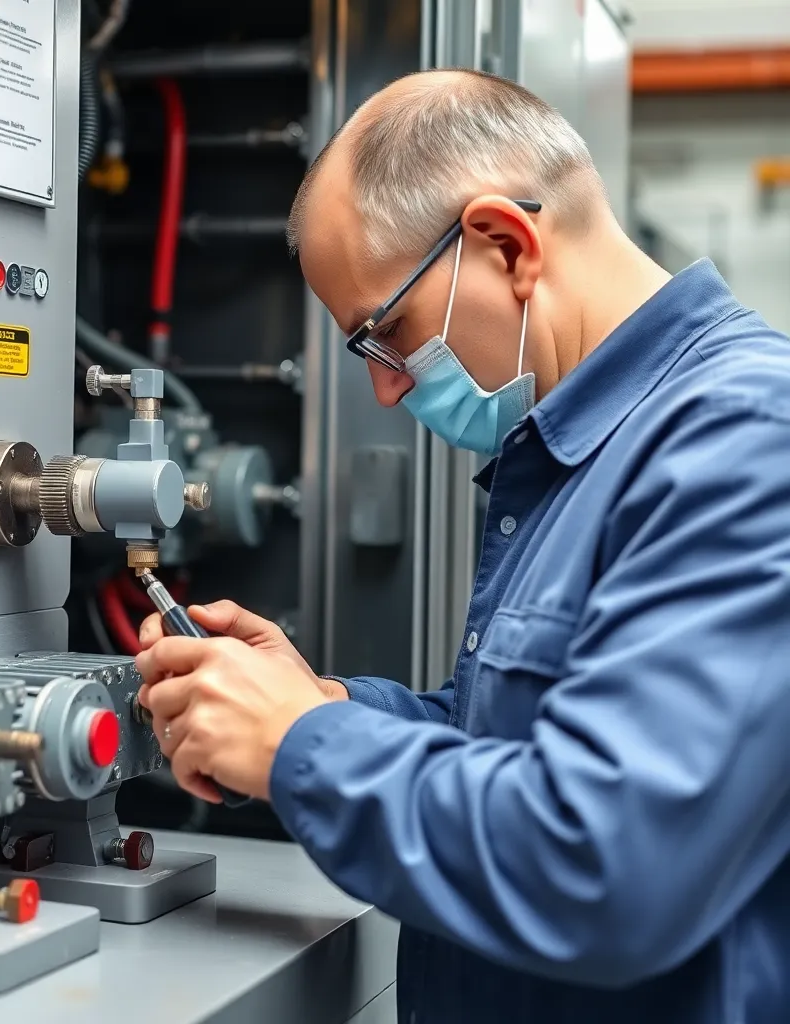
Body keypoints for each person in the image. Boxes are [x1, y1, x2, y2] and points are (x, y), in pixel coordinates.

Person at [135, 69, 790, 1024]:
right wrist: (324, 703)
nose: (389, 392)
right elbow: (518, 749)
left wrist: (296, 744)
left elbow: (605, 864)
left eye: (387, 334)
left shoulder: (740, 440)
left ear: (506, 245)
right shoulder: (589, 452)